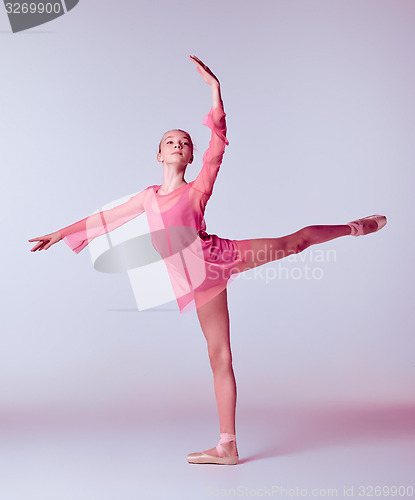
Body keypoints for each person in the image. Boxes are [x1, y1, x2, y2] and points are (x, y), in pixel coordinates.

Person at [28, 55, 387, 465]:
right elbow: (106, 219)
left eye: (184, 142)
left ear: (190, 156)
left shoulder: (197, 189)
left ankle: (354, 227)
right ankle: (227, 447)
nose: (178, 145)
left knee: (296, 242)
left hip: (218, 255)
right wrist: (61, 232)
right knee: (220, 357)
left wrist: (216, 92)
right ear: (159, 156)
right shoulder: (147, 197)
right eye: (170, 142)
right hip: (197, 280)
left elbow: (217, 147)